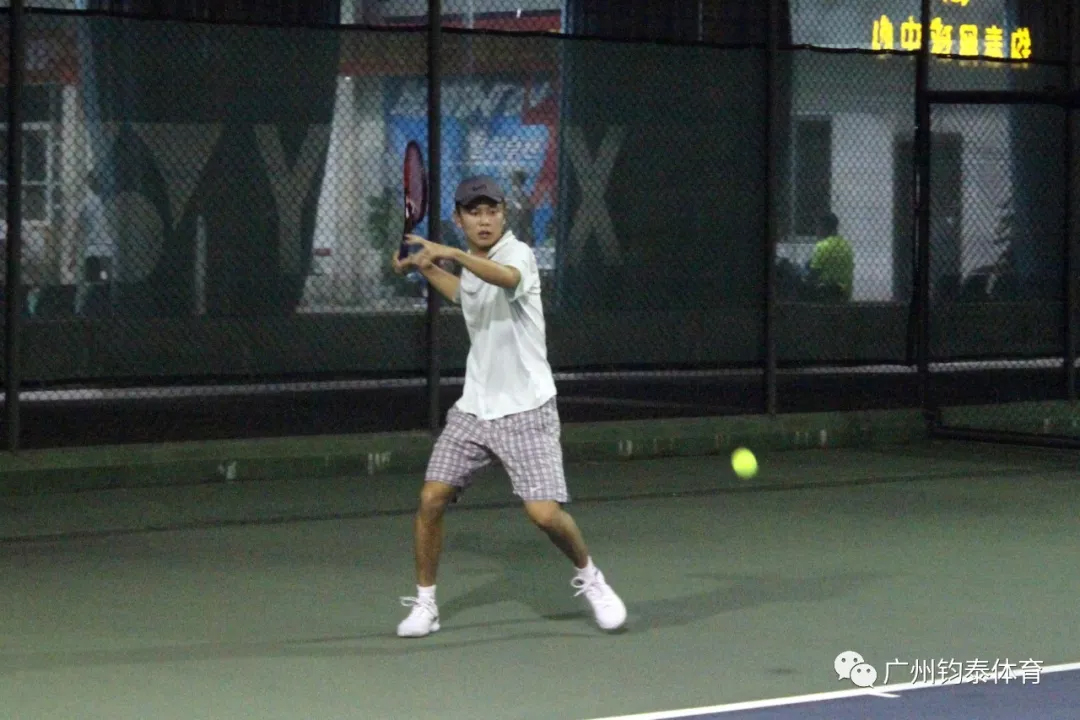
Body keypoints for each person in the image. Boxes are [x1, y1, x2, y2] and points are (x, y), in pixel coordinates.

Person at [390, 175, 627, 638]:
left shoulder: (517, 254)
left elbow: (505, 278)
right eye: (474, 212)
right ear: (459, 219)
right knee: (431, 499)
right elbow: (463, 294)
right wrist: (422, 266)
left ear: (504, 215)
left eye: (492, 211)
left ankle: (591, 578)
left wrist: (450, 254)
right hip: (474, 410)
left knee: (544, 515)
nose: (484, 220)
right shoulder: (471, 266)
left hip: (527, 410)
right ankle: (425, 604)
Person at [806, 212, 854, 302]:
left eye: (818, 227)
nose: (816, 230)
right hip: (845, 293)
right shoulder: (846, 245)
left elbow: (814, 274)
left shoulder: (822, 246)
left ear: (824, 228)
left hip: (827, 292)